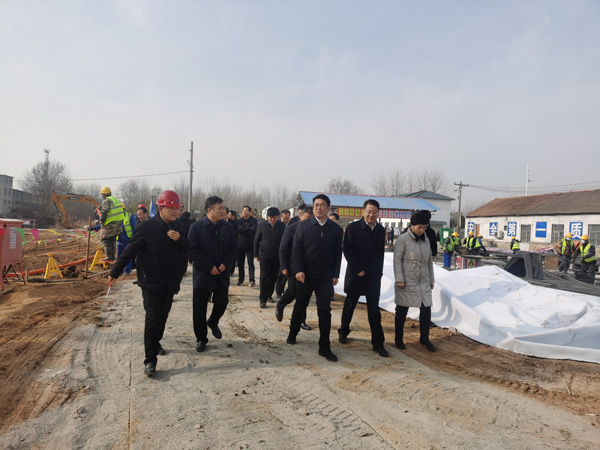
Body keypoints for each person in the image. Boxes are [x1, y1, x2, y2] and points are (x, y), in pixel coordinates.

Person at [108, 190, 189, 376]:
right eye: (171, 208)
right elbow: (130, 250)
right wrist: (115, 271)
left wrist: (179, 240)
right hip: (151, 281)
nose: (175, 211)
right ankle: (150, 360)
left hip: (170, 282)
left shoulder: (180, 227)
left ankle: (155, 342)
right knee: (152, 318)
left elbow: (187, 249)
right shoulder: (147, 227)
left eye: (177, 208)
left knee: (162, 317)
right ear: (161, 208)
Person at [287, 194, 343, 362]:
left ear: (328, 208)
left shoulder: (336, 230)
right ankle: (293, 331)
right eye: (316, 204)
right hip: (305, 274)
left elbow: (337, 253)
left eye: (322, 205)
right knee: (300, 305)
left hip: (325, 276)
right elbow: (296, 250)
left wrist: (335, 274)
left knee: (324, 310)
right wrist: (298, 270)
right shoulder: (303, 226)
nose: (319, 207)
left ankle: (324, 346)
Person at [338, 199, 388, 357]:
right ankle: (343, 331)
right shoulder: (353, 228)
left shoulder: (380, 230)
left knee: (374, 310)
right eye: (369, 211)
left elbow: (380, 254)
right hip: (356, 273)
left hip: (373, 277)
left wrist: (379, 272)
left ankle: (378, 343)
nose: (371, 214)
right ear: (363, 211)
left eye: (374, 212)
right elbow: (347, 249)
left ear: (378, 213)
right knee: (350, 305)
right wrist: (357, 269)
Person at [188, 196, 238, 352]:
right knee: (199, 309)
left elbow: (233, 248)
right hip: (203, 273)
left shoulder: (228, 227)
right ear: (210, 210)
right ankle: (201, 339)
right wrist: (209, 266)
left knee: (222, 302)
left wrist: (226, 263)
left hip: (221, 273)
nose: (224, 211)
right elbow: (193, 251)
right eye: (220, 208)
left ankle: (213, 321)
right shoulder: (196, 227)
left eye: (224, 208)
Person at [393, 211, 436, 352]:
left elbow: (429, 261)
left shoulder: (426, 239)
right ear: (412, 225)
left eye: (424, 227)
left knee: (426, 309)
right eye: (419, 227)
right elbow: (397, 260)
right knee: (402, 309)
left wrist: (431, 279)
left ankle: (425, 338)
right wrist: (399, 279)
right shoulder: (403, 239)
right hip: (407, 280)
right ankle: (398, 338)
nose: (422, 230)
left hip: (423, 280)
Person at [276, 206, 314, 328]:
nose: (308, 222)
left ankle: (301, 321)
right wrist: (284, 266)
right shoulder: (291, 228)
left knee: (303, 296)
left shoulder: (315, 229)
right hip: (293, 266)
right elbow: (283, 249)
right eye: (306, 218)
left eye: (311, 219)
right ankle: (281, 304)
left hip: (308, 268)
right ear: (300, 216)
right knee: (292, 291)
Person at [254, 207, 286, 308]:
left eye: (274, 217)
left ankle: (269, 295)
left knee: (273, 278)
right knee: (263, 277)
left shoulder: (282, 226)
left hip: (276, 257)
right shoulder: (262, 225)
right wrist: (256, 254)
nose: (272, 219)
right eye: (271, 217)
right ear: (267, 216)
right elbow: (256, 240)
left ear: (278, 217)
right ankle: (262, 299)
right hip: (264, 256)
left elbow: (284, 241)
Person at [99, 186, 125, 261]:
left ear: (104, 194)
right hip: (118, 224)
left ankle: (108, 256)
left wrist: (102, 220)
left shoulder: (106, 200)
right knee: (112, 240)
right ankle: (112, 256)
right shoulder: (116, 200)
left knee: (105, 239)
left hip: (110, 224)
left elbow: (105, 211)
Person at [236, 205, 258, 287]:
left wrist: (243, 230)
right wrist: (248, 229)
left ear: (250, 212)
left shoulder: (254, 221)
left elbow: (253, 230)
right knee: (240, 263)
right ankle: (241, 279)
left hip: (250, 245)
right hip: (240, 245)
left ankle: (251, 280)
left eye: (246, 210)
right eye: (243, 211)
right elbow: (238, 230)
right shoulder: (238, 221)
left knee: (250, 263)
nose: (245, 212)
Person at [275, 209, 292, 298]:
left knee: (286, 274)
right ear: (280, 217)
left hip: (289, 253)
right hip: (279, 253)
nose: (286, 220)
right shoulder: (277, 227)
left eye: (287, 218)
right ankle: (278, 291)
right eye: (284, 218)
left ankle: (282, 290)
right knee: (280, 274)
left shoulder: (292, 226)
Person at [116, 204, 136, 275]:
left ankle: (127, 271)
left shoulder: (130, 216)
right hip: (119, 239)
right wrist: (94, 228)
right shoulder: (116, 218)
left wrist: (133, 238)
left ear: (123, 209)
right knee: (119, 256)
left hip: (128, 239)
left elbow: (134, 228)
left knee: (128, 255)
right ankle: (119, 270)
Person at [227, 209, 238, 275]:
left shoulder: (234, 223)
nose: (229, 216)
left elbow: (236, 233)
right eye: (228, 214)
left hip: (233, 242)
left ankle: (231, 271)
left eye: (230, 215)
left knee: (233, 258)